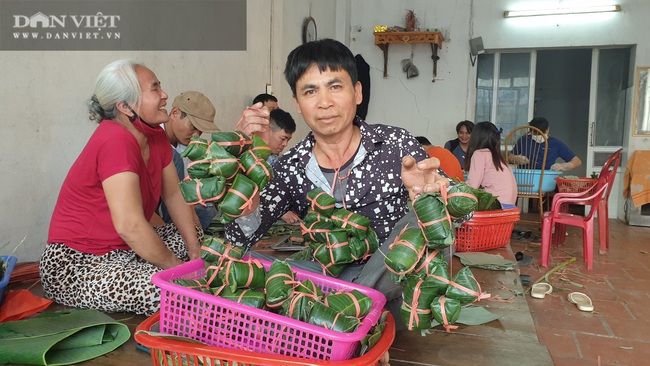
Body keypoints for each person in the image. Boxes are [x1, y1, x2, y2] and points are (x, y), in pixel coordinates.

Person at [227, 39, 448, 338]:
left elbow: (458, 217)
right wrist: (241, 175)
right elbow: (239, 237)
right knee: (242, 264)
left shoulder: (396, 144)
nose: (324, 102)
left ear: (357, 92)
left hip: (391, 285)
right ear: (297, 102)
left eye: (335, 87)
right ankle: (346, 317)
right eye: (310, 91)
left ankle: (345, 311)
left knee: (422, 223)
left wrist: (428, 198)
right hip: (329, 281)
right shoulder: (290, 167)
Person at [40, 60, 269, 316]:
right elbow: (130, 226)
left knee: (204, 247)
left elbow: (173, 195)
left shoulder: (155, 136)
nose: (164, 95)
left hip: (123, 251)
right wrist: (176, 268)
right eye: (154, 89)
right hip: (78, 264)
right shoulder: (114, 140)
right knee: (173, 292)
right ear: (125, 106)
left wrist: (193, 249)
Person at [158, 91, 220, 230]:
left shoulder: (188, 149)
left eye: (201, 131)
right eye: (193, 127)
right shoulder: (157, 144)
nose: (196, 135)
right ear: (175, 113)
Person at [464, 122, 517, 206]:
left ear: (475, 138)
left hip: (497, 206)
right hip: (510, 206)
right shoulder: (498, 157)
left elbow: (472, 186)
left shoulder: (480, 154)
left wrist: (456, 189)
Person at [512, 117, 582, 171]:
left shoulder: (555, 143)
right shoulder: (524, 140)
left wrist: (563, 166)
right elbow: (508, 157)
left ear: (547, 130)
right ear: (530, 130)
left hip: (546, 179)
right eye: (535, 134)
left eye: (541, 134)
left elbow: (577, 161)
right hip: (524, 179)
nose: (538, 137)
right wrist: (515, 159)